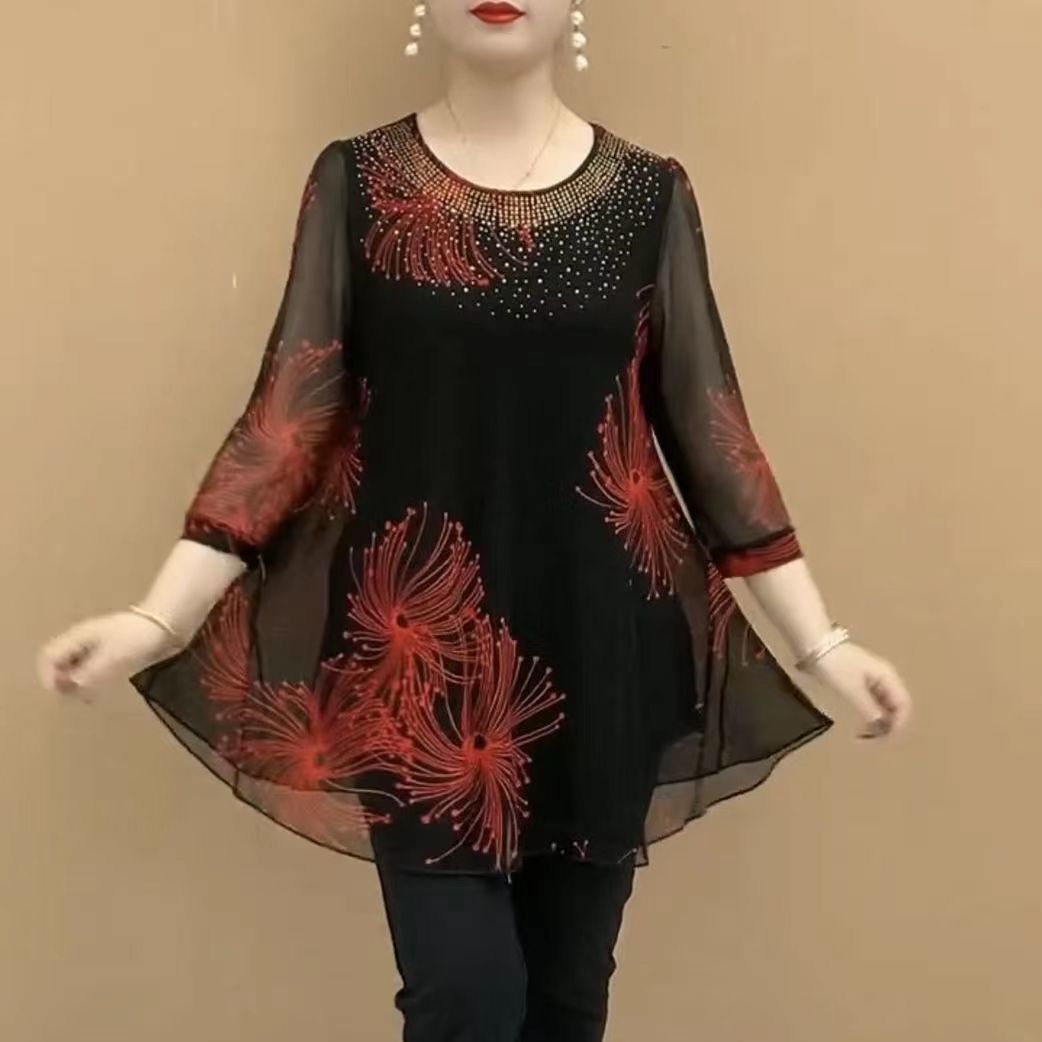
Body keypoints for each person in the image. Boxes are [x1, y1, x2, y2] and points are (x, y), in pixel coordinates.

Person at [37, 2, 913, 1039]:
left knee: (565, 999)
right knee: (465, 997)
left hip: (602, 646)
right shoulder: (359, 182)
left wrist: (822, 644)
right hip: (414, 654)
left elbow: (710, 431)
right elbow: (289, 415)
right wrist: (161, 617)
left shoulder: (648, 196)